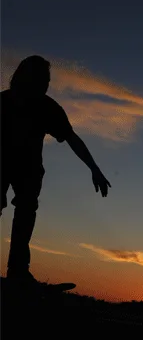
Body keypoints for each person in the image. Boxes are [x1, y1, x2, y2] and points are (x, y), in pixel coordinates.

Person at [0, 55, 111, 286]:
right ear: (26, 78)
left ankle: (18, 271)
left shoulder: (48, 108)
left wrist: (94, 168)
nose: (46, 84)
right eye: (42, 79)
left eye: (47, 81)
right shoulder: (4, 102)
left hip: (28, 169)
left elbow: (72, 139)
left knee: (26, 211)